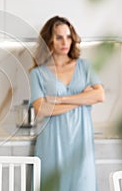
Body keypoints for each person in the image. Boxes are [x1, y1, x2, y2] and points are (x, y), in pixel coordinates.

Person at [30, 16, 104, 191]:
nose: (65, 42)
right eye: (59, 37)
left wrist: (61, 100)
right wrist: (83, 99)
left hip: (81, 144)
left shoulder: (85, 66)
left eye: (68, 36)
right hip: (52, 143)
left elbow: (100, 95)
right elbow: (42, 108)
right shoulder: (37, 73)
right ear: (49, 41)